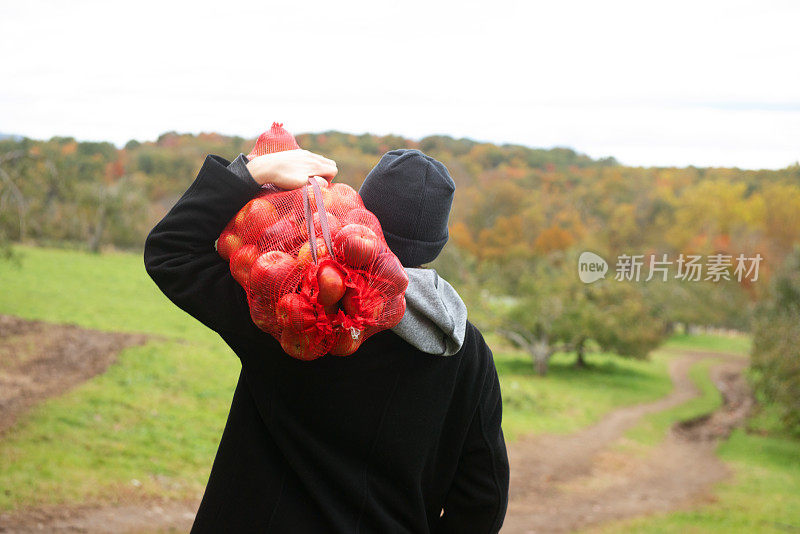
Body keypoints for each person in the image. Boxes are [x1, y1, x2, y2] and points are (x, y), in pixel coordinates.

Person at [143, 145, 509, 533]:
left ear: (360, 213)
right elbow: (483, 496)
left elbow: (171, 253)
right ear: (436, 245)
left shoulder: (287, 304)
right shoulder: (467, 352)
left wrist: (251, 171)